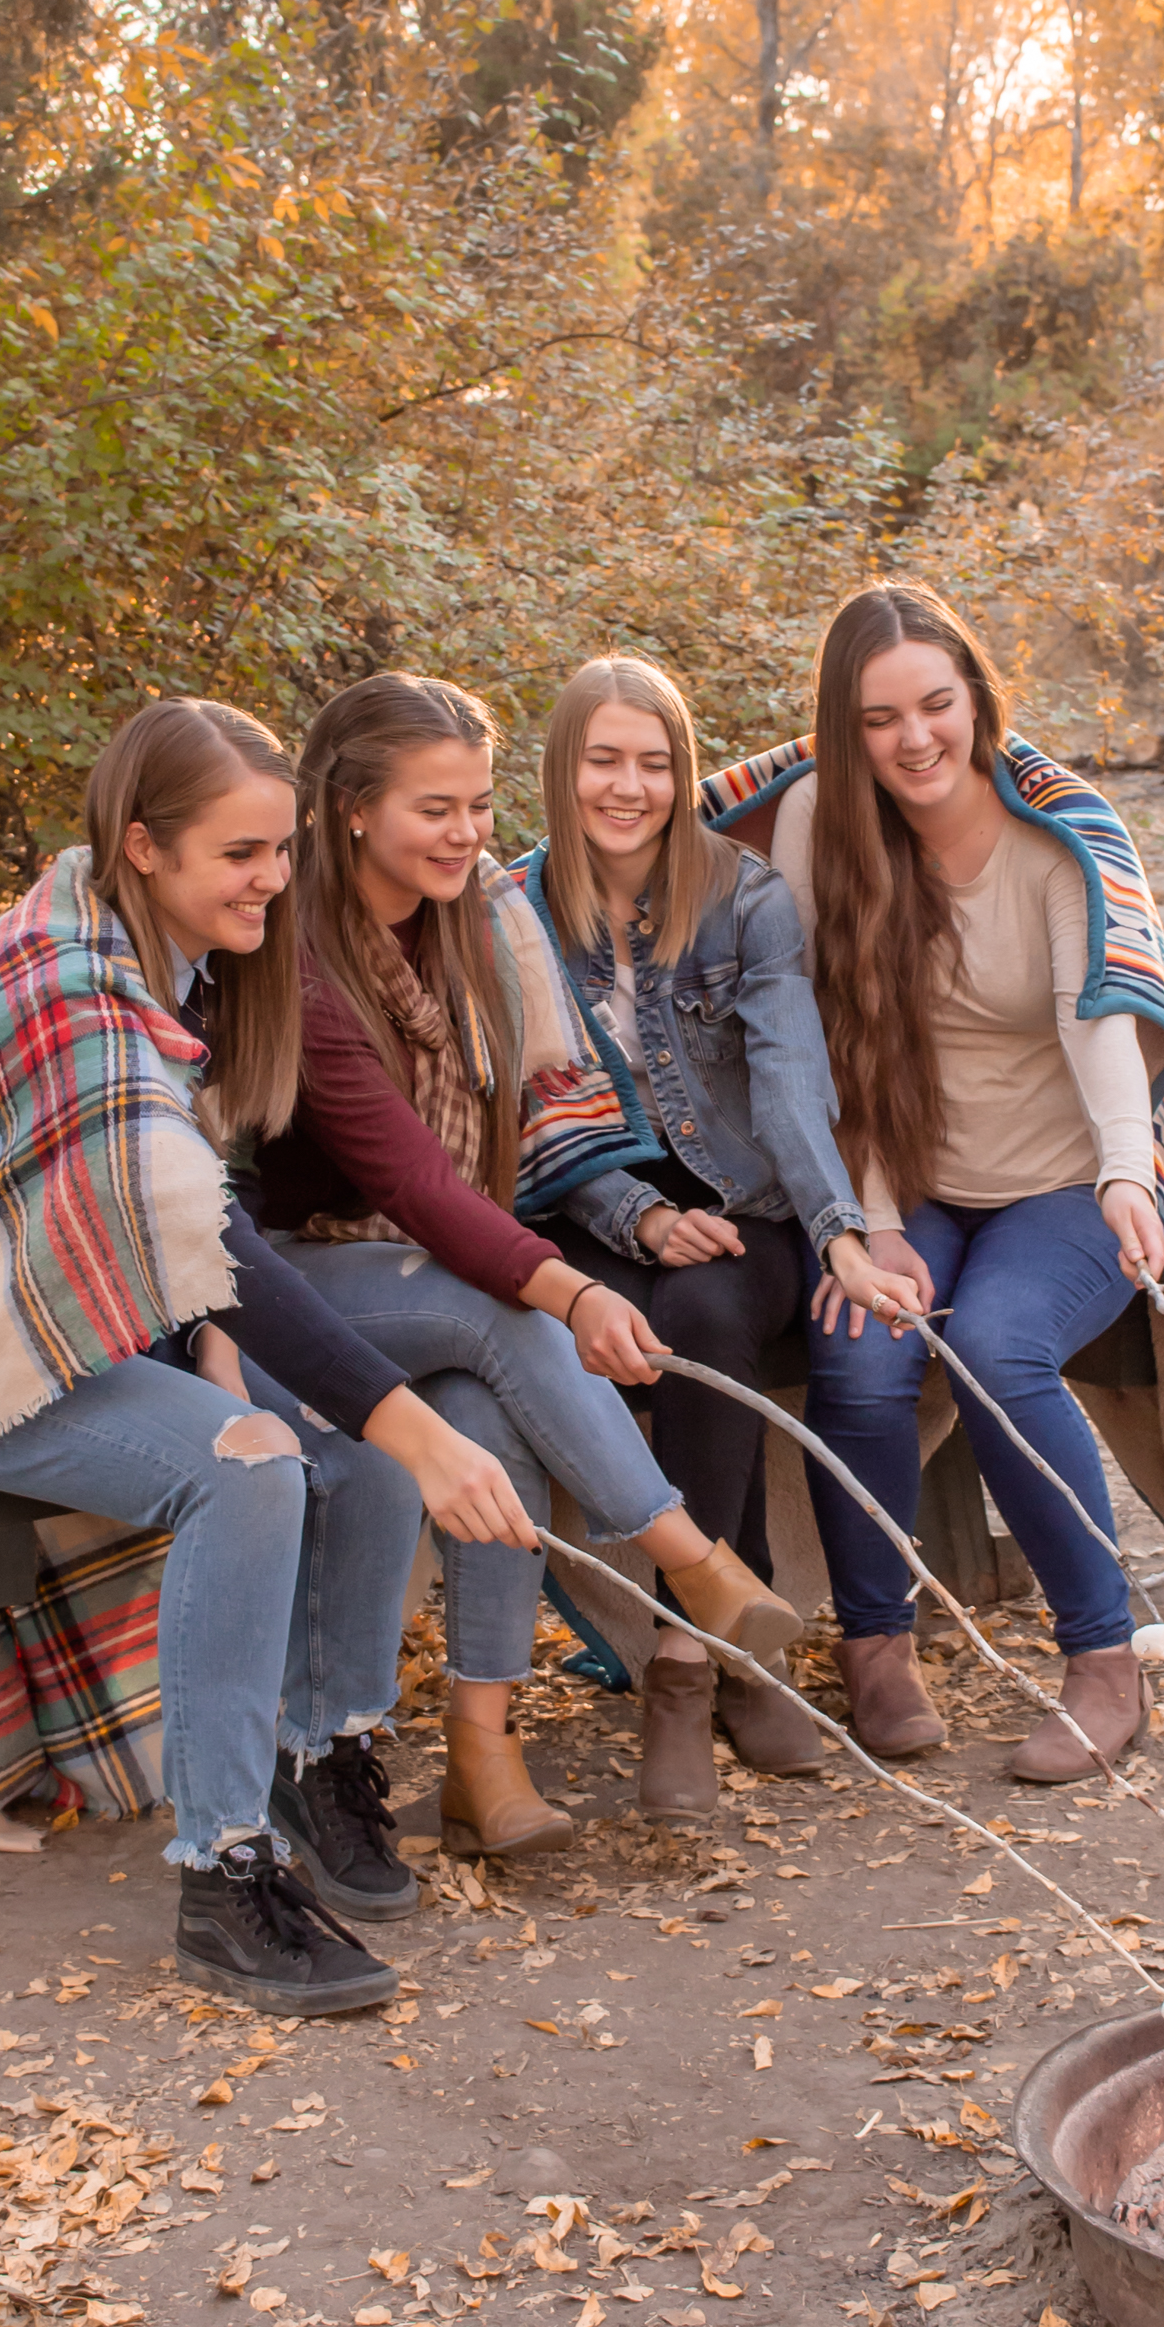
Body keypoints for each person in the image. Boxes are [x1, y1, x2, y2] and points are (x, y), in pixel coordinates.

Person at [0, 698, 540, 2011]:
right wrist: (392, 1415)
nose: (274, 880)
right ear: (144, 844)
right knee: (254, 1465)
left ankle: (320, 1746)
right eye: (242, 853)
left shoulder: (154, 949)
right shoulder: (66, 992)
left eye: (281, 850)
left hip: (110, 1319)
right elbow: (201, 1224)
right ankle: (224, 1871)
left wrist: (216, 1336)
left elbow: (172, 1211)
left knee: (351, 1441)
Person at [254, 672, 806, 1846]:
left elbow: (547, 1107)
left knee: (482, 1423)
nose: (465, 834)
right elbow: (408, 1178)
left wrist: (613, 1234)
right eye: (433, 811)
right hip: (279, 1273)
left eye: (475, 805)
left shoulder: (477, 913)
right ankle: (692, 1562)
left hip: (414, 1265)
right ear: (352, 808)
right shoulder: (295, 951)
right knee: (507, 1325)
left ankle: (480, 1760)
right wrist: (573, 1286)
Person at [769, 581, 1164, 1775]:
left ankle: (1102, 1661)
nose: (912, 739)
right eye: (876, 719)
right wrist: (861, 1223)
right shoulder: (822, 823)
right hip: (907, 1173)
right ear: (839, 731)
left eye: (933, 705)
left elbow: (1098, 1019)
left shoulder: (1051, 839)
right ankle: (875, 1646)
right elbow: (823, 1040)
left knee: (1003, 1350)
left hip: (1065, 1180)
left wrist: (1128, 1173)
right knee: (859, 1351)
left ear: (975, 700)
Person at [522, 652, 924, 1803]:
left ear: (680, 772)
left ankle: (688, 1664)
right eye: (603, 760)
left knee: (705, 1310)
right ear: (563, 770)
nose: (628, 787)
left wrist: (838, 1228)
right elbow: (529, 1107)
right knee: (655, 1311)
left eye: (653, 763)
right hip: (592, 1207)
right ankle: (747, 1662)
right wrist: (636, 1216)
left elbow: (791, 1077)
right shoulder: (512, 912)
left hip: (747, 1204)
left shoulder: (743, 897)